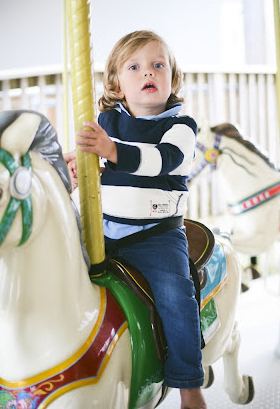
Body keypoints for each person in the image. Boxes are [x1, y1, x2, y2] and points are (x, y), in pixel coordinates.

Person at [65, 30, 206, 409]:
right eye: (135, 66)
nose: (149, 72)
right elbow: (95, 167)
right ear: (117, 83)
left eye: (158, 65)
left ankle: (189, 385)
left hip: (156, 236)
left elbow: (162, 160)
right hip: (101, 229)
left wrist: (111, 150)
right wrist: (77, 170)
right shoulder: (107, 122)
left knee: (176, 296)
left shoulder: (181, 127)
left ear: (172, 80)